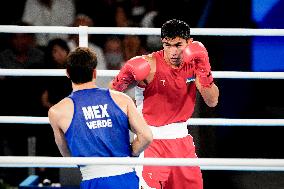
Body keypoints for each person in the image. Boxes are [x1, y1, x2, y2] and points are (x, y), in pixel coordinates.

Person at [109, 19, 219, 189]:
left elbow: (212, 101)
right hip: (152, 143)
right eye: (167, 45)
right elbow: (112, 94)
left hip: (183, 142)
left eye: (178, 45)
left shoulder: (195, 62)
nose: (172, 52)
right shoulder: (148, 65)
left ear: (189, 43)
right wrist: (131, 118)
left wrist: (204, 68)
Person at [48, 47, 153, 189]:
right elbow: (146, 136)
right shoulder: (121, 99)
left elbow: (67, 153)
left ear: (68, 73)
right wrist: (131, 153)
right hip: (127, 178)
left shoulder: (57, 111)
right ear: (94, 73)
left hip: (92, 180)